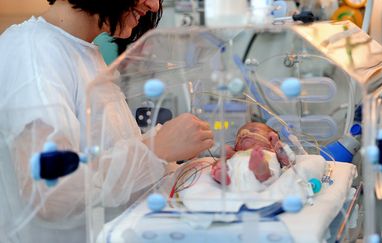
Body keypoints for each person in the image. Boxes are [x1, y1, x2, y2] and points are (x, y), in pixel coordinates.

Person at [0, 0, 213, 242]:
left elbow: (110, 159)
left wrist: (198, 169)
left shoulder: (83, 51)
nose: (154, 5)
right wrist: (156, 149)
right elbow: (50, 192)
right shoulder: (33, 53)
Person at [210, 122, 295, 192]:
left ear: (270, 138)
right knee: (228, 165)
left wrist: (277, 143)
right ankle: (225, 175)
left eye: (253, 130)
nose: (243, 134)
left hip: (264, 180)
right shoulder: (238, 154)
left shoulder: (272, 150)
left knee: (264, 167)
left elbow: (289, 161)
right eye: (238, 137)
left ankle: (260, 171)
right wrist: (227, 154)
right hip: (237, 180)